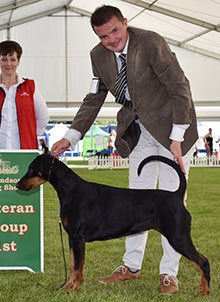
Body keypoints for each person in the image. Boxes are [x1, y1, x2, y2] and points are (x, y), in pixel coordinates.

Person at [51, 5, 198, 295]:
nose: (111, 40)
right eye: (103, 36)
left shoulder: (150, 42)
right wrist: (71, 136)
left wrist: (178, 137)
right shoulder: (98, 56)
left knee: (171, 204)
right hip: (137, 130)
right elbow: (93, 98)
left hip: (173, 128)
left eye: (115, 31)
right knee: (133, 201)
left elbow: (180, 87)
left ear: (125, 23)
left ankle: (169, 274)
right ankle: (131, 267)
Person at [0, 40, 48, 150]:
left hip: (24, 151)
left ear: (18, 62)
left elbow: (43, 116)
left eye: (13, 59)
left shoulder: (30, 87)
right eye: (4, 59)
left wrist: (30, 134)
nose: (8, 64)